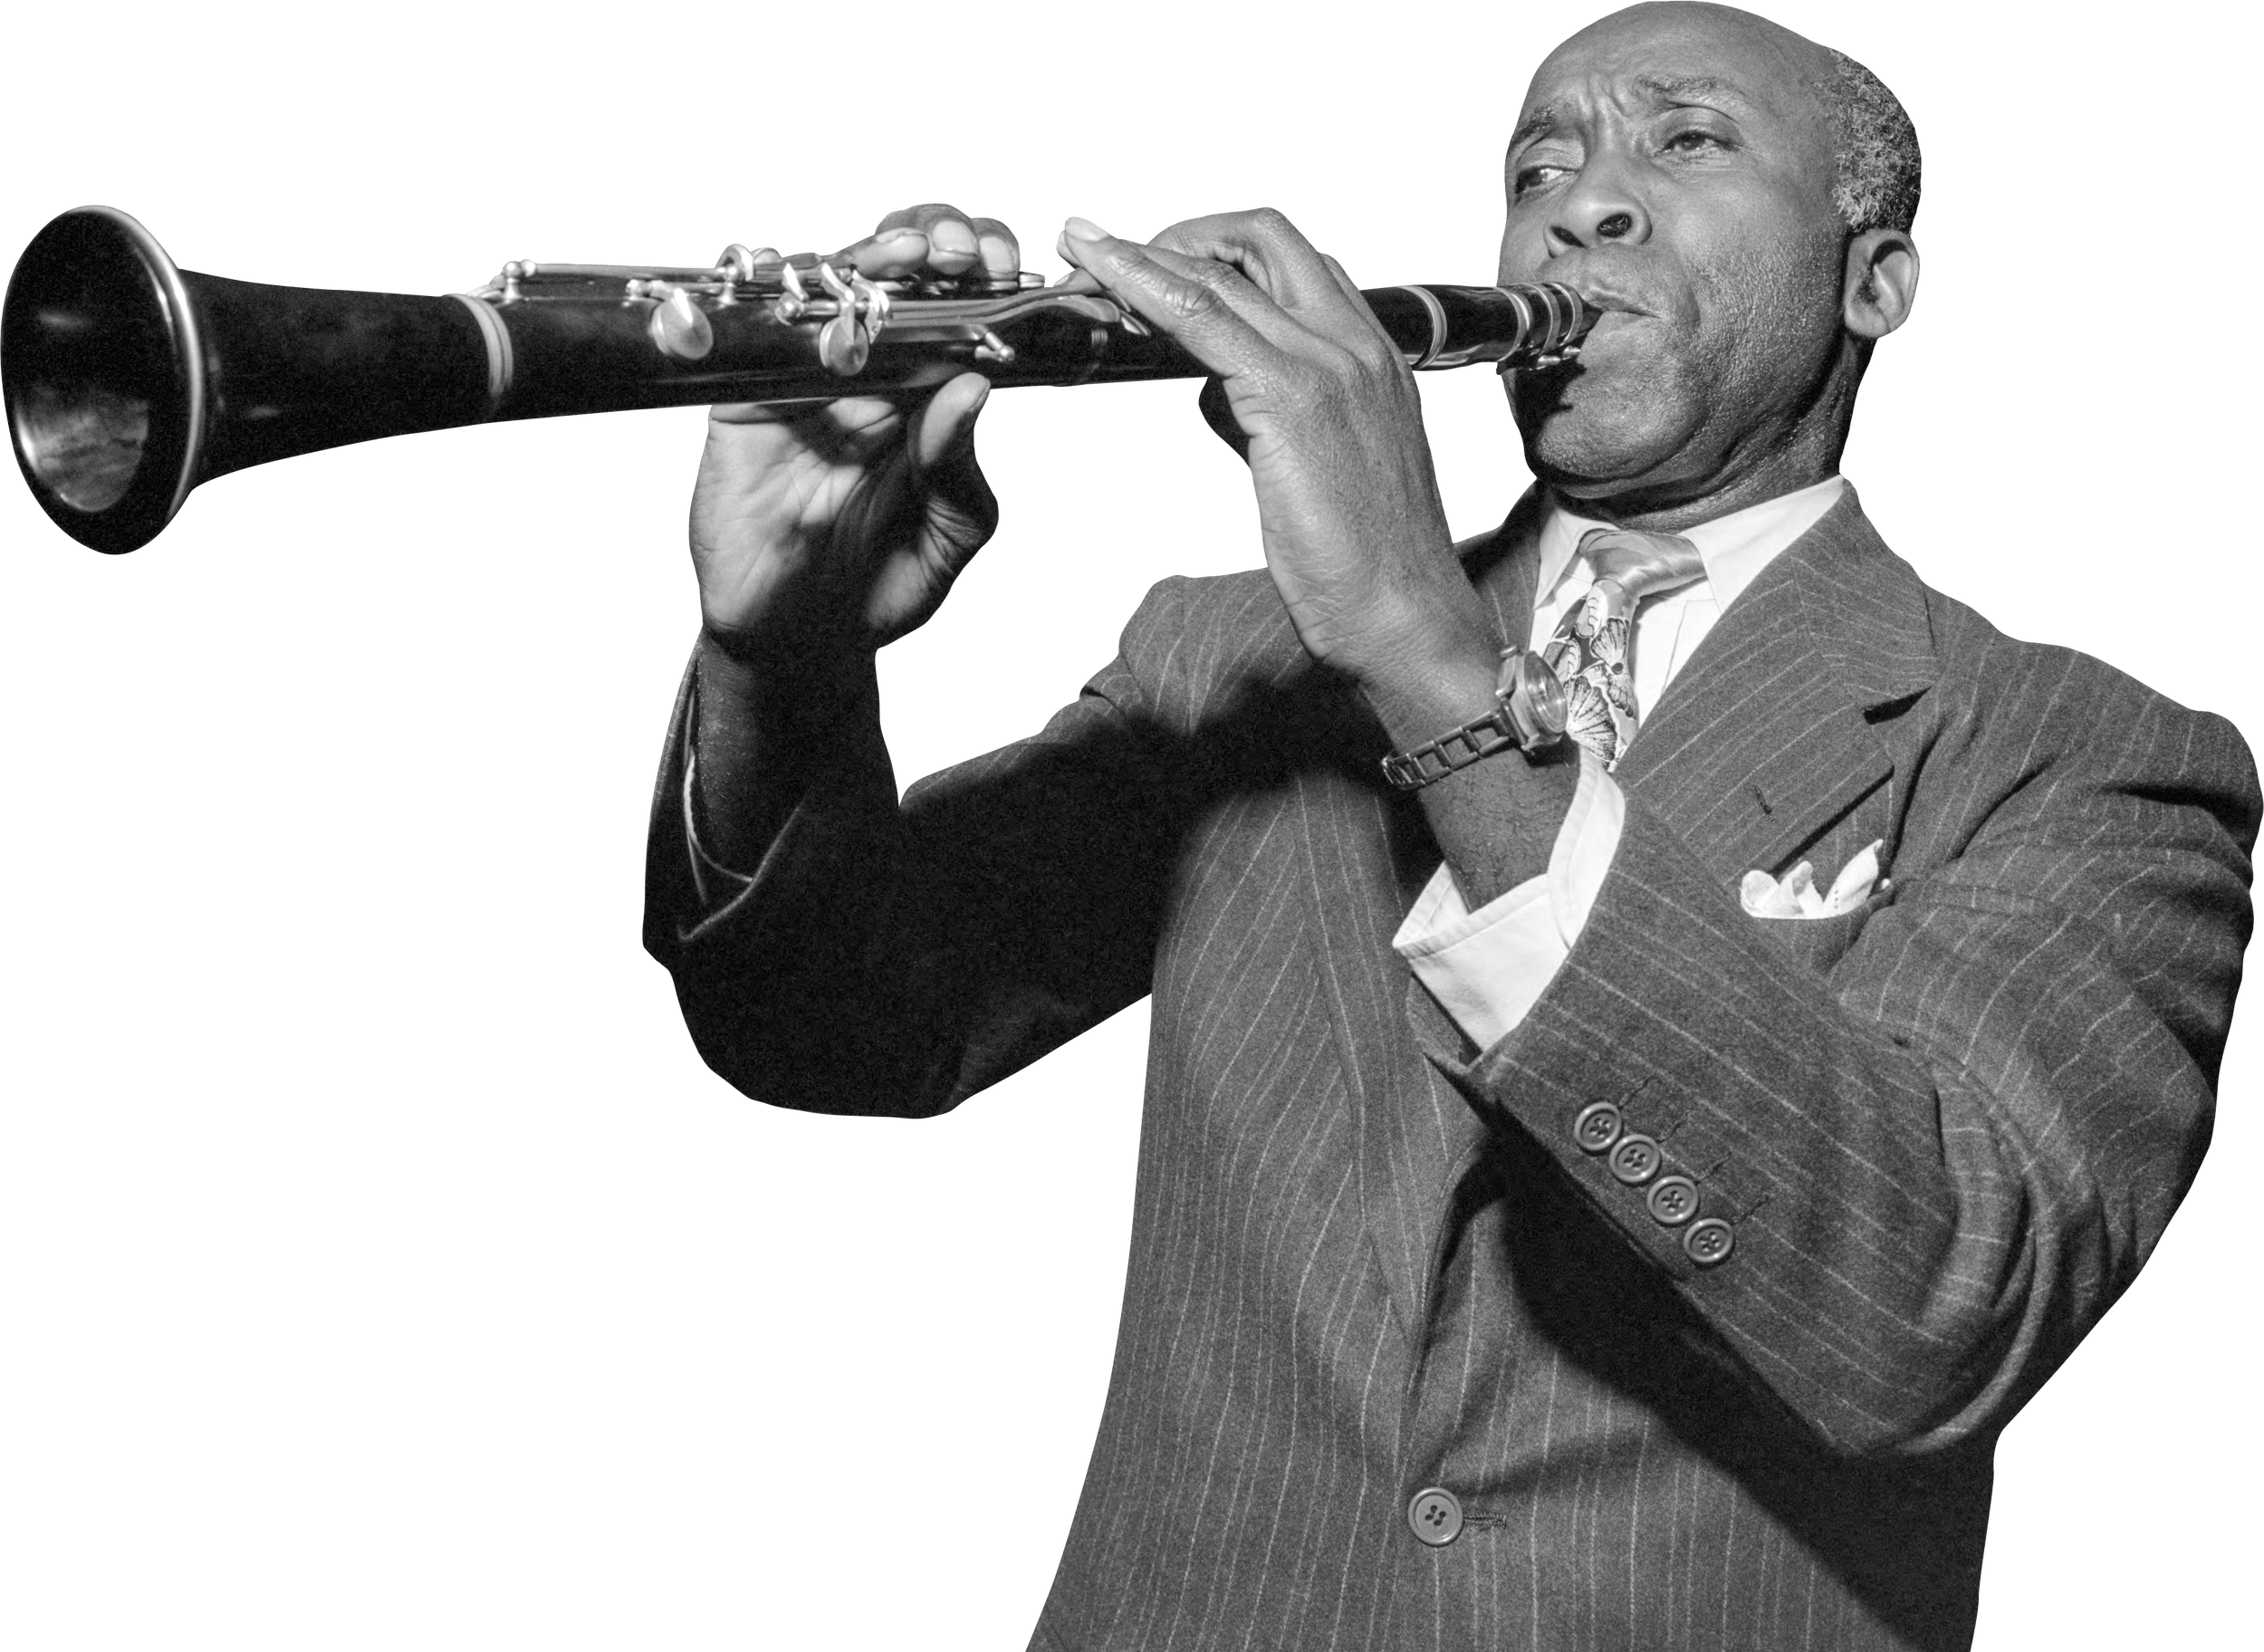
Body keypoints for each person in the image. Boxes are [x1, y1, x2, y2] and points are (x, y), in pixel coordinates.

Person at [639, 3, 2259, 1647]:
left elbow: (1937, 1309)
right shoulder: (1223, 667)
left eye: (1686, 142)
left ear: (1877, 284)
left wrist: (1431, 654)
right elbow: (806, 1027)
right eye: (1539, 162)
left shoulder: (2086, 753)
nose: (1581, 204)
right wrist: (790, 660)